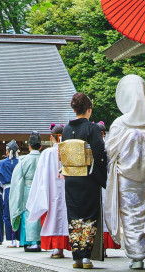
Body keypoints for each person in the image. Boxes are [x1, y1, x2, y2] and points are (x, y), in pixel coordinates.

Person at [105, 75, 145, 270]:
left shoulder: (119, 124)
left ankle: (136, 255)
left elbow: (110, 150)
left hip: (125, 179)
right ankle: (144, 252)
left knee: (130, 215)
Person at [61, 92, 107, 270]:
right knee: (88, 216)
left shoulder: (66, 129)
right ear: (89, 110)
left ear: (74, 109)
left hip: (71, 177)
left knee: (74, 217)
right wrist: (103, 176)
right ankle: (86, 257)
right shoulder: (92, 128)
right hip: (88, 177)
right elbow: (99, 155)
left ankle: (76, 257)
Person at [27, 124, 70, 258]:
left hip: (50, 191)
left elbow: (40, 176)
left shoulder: (46, 153)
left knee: (52, 217)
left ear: (52, 137)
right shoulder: (70, 152)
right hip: (67, 191)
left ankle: (56, 249)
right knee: (67, 216)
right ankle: (67, 246)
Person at [9, 131, 43, 252]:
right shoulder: (44, 158)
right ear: (40, 146)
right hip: (42, 189)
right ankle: (40, 241)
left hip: (28, 189)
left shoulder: (24, 160)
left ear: (29, 145)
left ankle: (29, 241)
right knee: (41, 214)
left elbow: (17, 180)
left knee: (27, 213)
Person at [96, 122, 120, 255]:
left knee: (104, 213)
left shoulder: (103, 146)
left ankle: (102, 246)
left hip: (103, 183)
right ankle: (103, 247)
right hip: (107, 184)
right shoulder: (110, 145)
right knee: (107, 213)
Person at [0, 139, 20, 247]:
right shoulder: (20, 162)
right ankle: (20, 238)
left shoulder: (1, 163)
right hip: (19, 189)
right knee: (18, 212)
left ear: (7, 151)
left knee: (7, 214)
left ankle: (12, 239)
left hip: (7, 189)